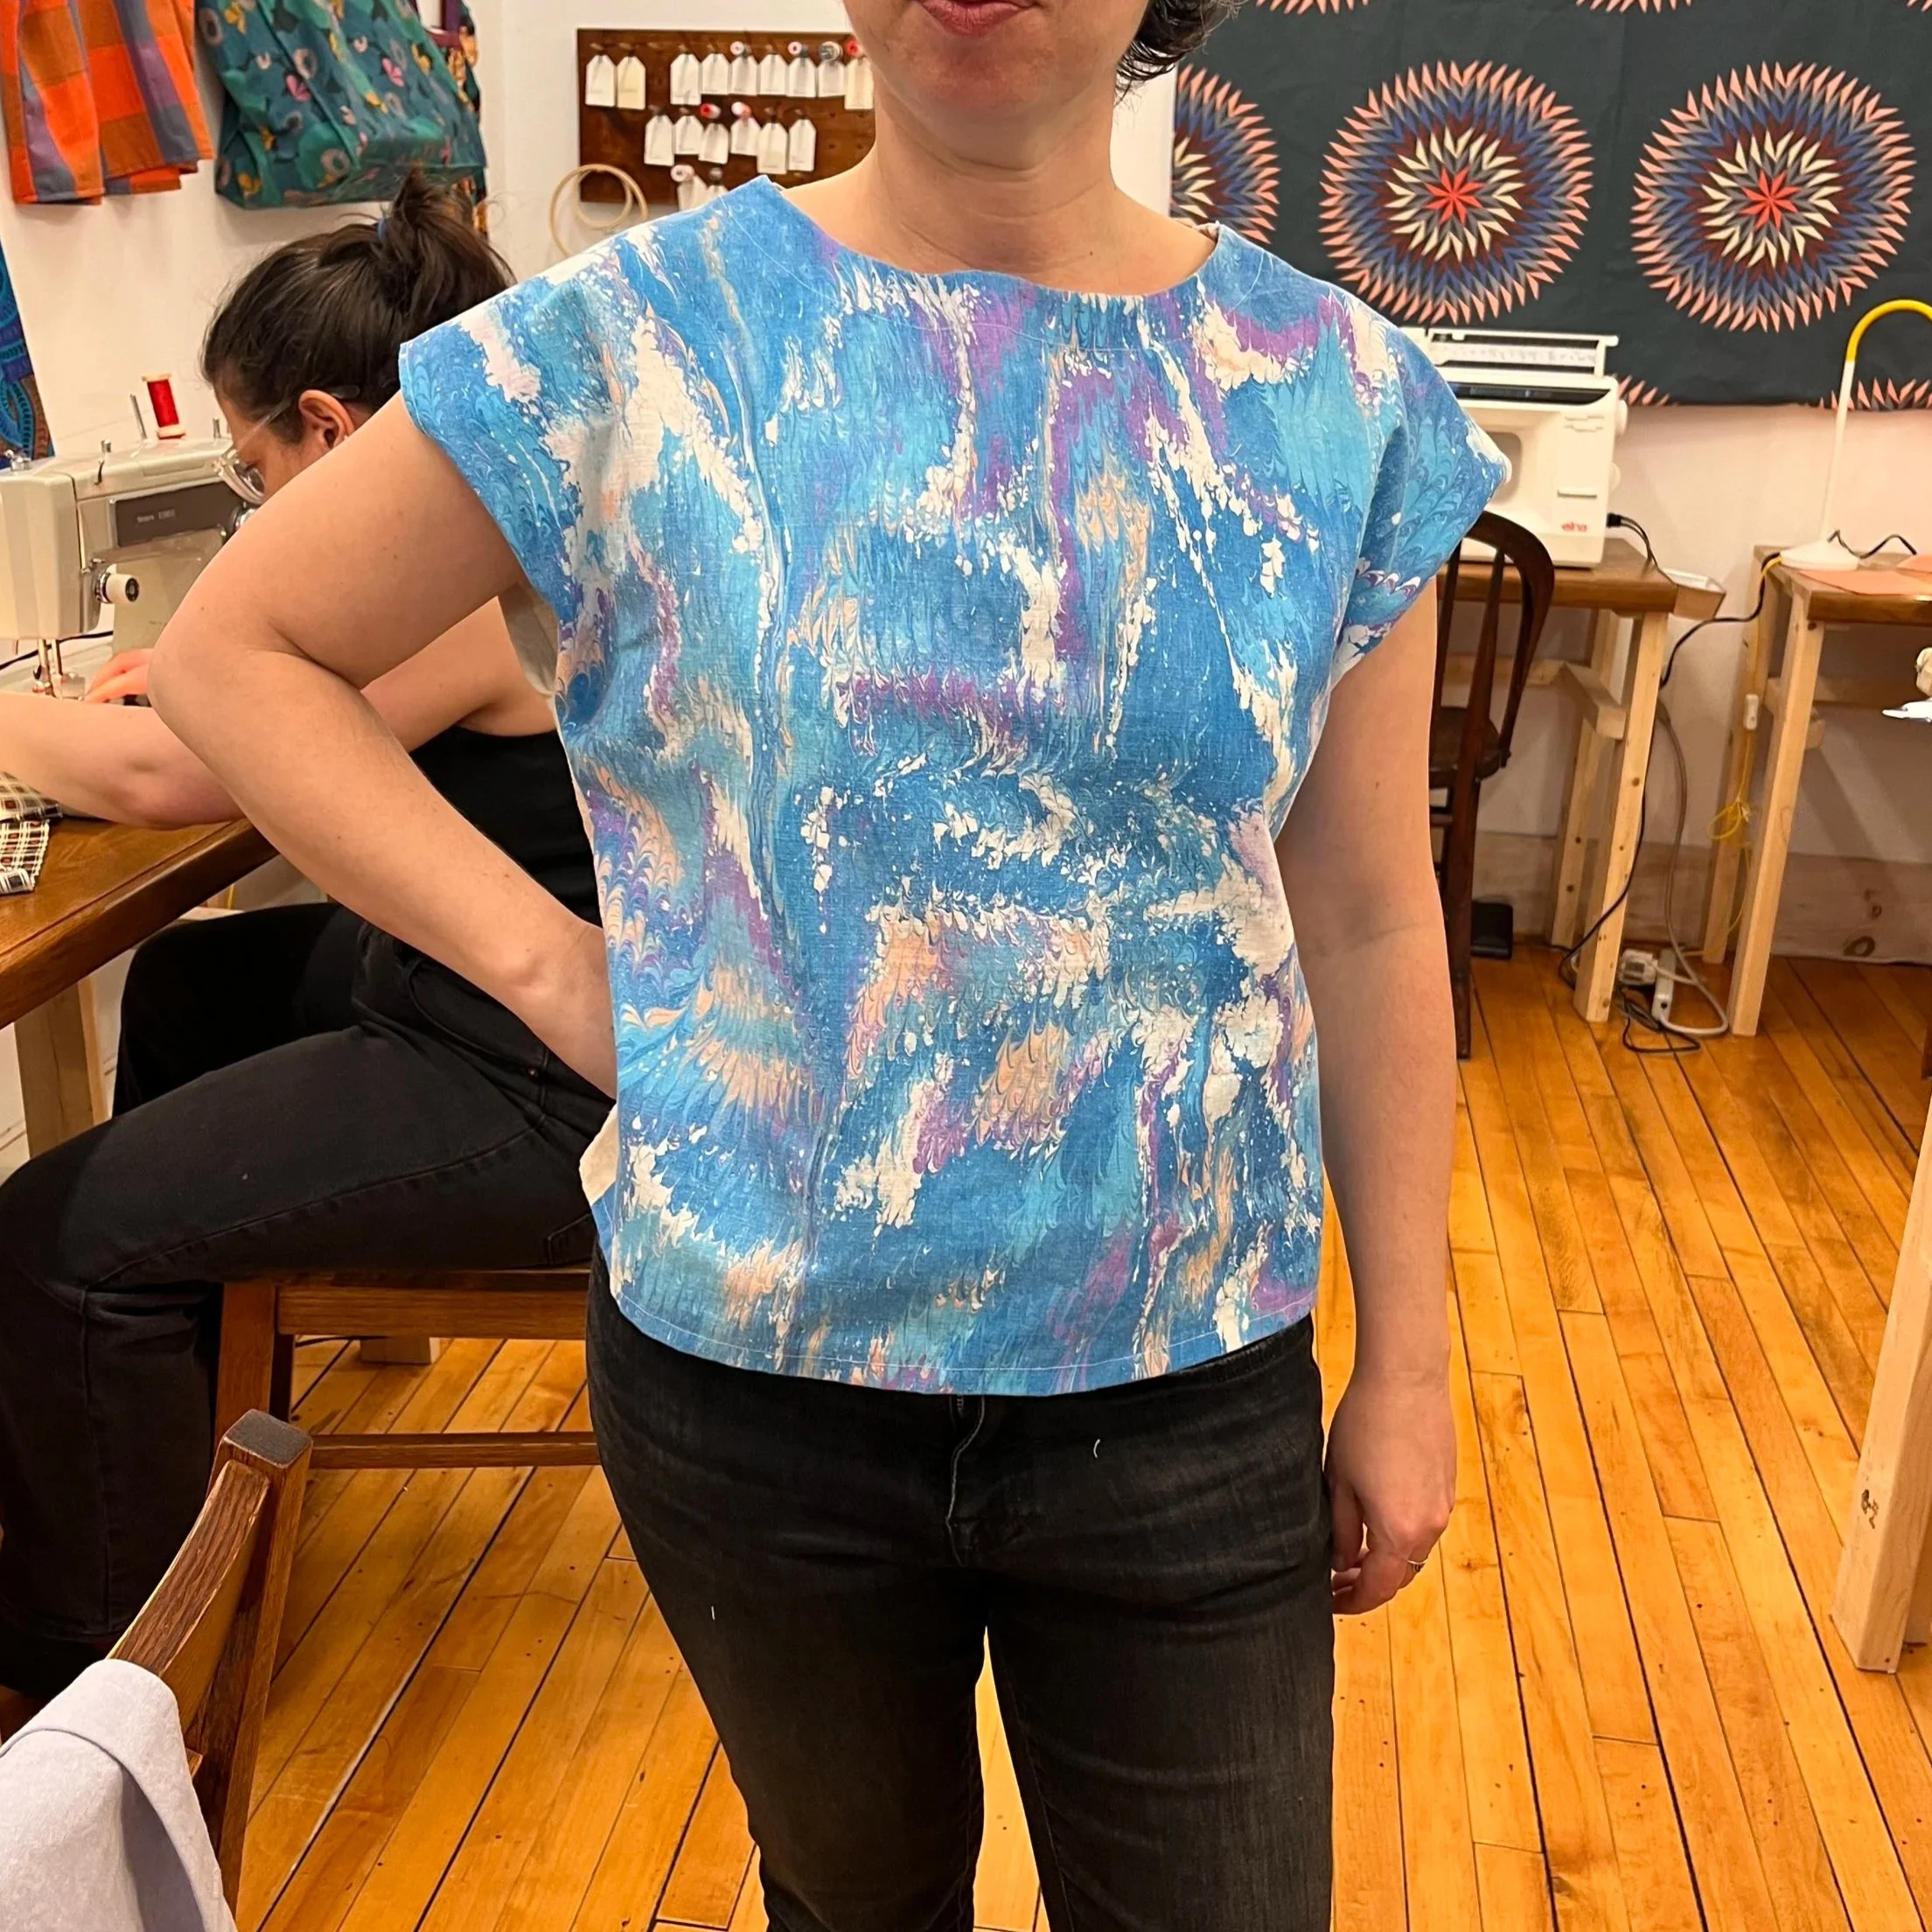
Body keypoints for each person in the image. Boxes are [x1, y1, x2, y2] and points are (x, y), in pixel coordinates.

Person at [151, 1, 1504, 1923]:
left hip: (1182, 1386)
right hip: (756, 1385)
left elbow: (1370, 911)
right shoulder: (623, 348)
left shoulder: (1330, 392)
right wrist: (552, 974)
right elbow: (236, 656)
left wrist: (1415, 1370)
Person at [0, 175, 609, 1700]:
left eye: (250, 468)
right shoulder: (504, 526)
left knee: (50, 1240)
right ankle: (175, 1443)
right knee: (201, 984)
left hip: (548, 1078)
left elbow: (173, 778)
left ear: (334, 432)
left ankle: (117, 1699)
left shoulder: (443, 598)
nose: (247, 503)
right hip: (493, 1000)